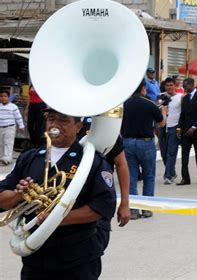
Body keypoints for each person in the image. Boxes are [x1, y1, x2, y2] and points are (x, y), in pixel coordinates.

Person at [0, 108, 116, 279]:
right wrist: (20, 196)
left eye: (63, 120)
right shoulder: (29, 157)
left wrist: (58, 217)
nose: (55, 124)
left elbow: (103, 207)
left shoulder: (91, 161)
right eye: (51, 119)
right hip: (37, 254)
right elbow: (2, 199)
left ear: (78, 126)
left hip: (78, 254)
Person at [121, 80, 166, 219]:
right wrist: (163, 111)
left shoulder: (124, 104)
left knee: (132, 177)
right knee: (149, 175)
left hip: (127, 142)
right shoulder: (149, 104)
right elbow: (162, 123)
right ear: (143, 89)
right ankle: (146, 209)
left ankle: (133, 210)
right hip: (145, 143)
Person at [177, 78, 197, 185]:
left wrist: (194, 127)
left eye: (185, 86)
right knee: (184, 155)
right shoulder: (185, 99)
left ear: (191, 85)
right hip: (185, 130)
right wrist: (179, 128)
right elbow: (182, 114)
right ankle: (185, 178)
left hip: (196, 130)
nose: (184, 88)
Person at [158, 78, 183, 185]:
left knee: (171, 153)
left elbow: (183, 113)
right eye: (167, 85)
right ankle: (172, 172)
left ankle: (167, 176)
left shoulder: (180, 97)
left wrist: (180, 128)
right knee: (163, 153)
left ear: (175, 86)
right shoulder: (161, 97)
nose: (169, 87)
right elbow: (156, 111)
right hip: (162, 127)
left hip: (174, 127)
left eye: (171, 85)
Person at [0, 89, 25, 165]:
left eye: (5, 96)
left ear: (8, 97)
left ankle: (7, 159)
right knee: (1, 143)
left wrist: (21, 126)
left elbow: (18, 117)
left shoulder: (13, 107)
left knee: (8, 143)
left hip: (9, 127)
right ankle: (2, 157)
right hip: (0, 128)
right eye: (1, 96)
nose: (3, 98)